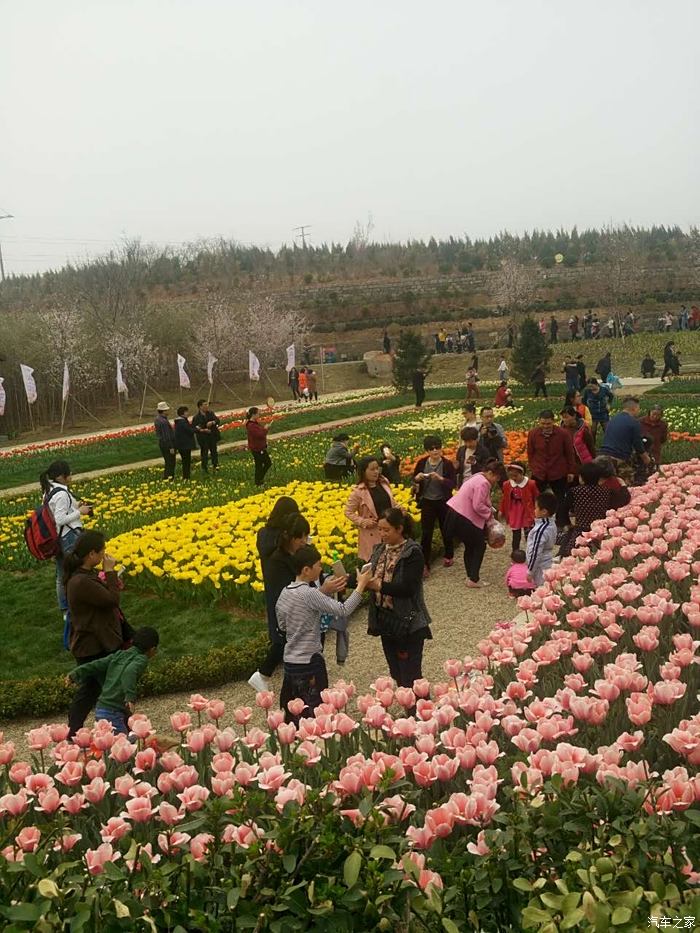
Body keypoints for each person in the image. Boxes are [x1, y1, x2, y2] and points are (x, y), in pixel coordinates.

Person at [276, 545, 371, 721]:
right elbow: (343, 609)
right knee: (316, 713)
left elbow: (282, 625)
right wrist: (362, 586)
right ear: (306, 570)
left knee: (295, 715)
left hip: (290, 662)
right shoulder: (310, 593)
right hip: (310, 662)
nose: (321, 569)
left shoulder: (285, 593)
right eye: (318, 565)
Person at [64, 530, 125, 736]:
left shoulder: (83, 576)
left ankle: (72, 732)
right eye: (101, 552)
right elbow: (111, 600)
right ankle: (127, 727)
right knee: (110, 687)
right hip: (93, 645)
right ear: (91, 554)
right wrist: (110, 573)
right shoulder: (81, 581)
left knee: (90, 690)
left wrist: (110, 581)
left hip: (91, 642)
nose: (103, 556)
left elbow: (105, 597)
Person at [365, 509, 432, 688]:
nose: (382, 534)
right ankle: (408, 708)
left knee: (411, 675)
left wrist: (378, 585)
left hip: (407, 623)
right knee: (395, 671)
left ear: (399, 529)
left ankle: (421, 712)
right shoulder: (379, 550)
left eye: (386, 530)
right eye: (380, 529)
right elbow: (369, 575)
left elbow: (408, 588)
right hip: (386, 620)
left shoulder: (412, 553)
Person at [248, 497, 302, 691]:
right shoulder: (284, 539)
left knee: (281, 633)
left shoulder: (264, 534)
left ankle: (268, 673)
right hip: (288, 588)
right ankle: (263, 673)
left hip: (272, 588)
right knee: (289, 636)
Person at [66, 627, 160, 735]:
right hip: (113, 712)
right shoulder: (141, 659)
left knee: (114, 743)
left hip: (101, 708)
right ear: (152, 649)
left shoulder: (119, 655)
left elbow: (95, 665)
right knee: (123, 744)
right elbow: (129, 672)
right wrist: (130, 696)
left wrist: (75, 674)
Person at [40, 460, 91, 644]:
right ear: (62, 476)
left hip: (58, 538)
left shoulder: (49, 489)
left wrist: (75, 506)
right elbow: (60, 519)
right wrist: (81, 512)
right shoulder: (61, 493)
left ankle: (65, 609)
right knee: (75, 572)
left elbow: (56, 513)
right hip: (68, 537)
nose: (71, 476)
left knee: (62, 573)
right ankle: (78, 605)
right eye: (70, 474)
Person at [445, 459, 506, 588]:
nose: (496, 480)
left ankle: (471, 576)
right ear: (490, 472)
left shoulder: (477, 476)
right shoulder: (483, 483)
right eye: (496, 476)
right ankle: (473, 578)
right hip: (464, 516)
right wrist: (490, 515)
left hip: (456, 514)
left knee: (470, 545)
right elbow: (478, 505)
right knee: (479, 545)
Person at [412, 435, 456, 574]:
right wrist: (417, 478)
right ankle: (425, 563)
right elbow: (414, 480)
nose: (435, 451)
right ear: (427, 450)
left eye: (438, 447)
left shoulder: (447, 464)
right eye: (432, 449)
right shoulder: (422, 463)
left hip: (443, 501)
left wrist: (440, 479)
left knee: (446, 529)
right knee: (426, 533)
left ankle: (449, 555)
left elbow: (452, 483)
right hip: (427, 501)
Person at [526, 410, 576, 527]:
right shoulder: (533, 434)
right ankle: (535, 521)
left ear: (553, 422)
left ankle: (561, 523)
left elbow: (569, 453)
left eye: (548, 424)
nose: (545, 426)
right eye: (543, 424)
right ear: (539, 422)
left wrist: (571, 471)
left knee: (561, 499)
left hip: (558, 471)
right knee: (535, 497)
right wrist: (534, 467)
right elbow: (530, 452)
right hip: (540, 471)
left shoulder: (563, 434)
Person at [345, 456, 397, 562]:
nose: (376, 472)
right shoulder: (358, 491)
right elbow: (348, 512)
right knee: (377, 562)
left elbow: (391, 502)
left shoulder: (384, 483)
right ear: (363, 471)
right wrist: (363, 521)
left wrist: (399, 509)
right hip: (373, 532)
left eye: (377, 468)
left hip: (390, 528)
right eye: (372, 469)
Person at [558, 462, 611, 558]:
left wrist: (568, 524)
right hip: (601, 532)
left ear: (581, 478)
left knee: (573, 556)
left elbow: (562, 509)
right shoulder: (606, 491)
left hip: (581, 532)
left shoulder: (575, 491)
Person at [599, 396, 650, 483]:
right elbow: (638, 445)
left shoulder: (613, 419)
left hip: (603, 456)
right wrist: (646, 458)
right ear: (634, 408)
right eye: (639, 408)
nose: (639, 411)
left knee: (607, 484)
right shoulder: (633, 422)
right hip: (618, 458)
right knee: (626, 485)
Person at [499, 461, 538, 550]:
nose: (514, 478)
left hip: (526, 510)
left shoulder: (531, 484)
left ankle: (531, 551)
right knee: (516, 533)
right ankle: (515, 552)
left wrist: (536, 509)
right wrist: (501, 510)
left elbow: (536, 497)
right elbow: (504, 498)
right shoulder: (507, 484)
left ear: (522, 473)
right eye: (511, 476)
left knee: (528, 532)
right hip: (514, 510)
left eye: (516, 476)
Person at [525, 492, 557, 587]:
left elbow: (536, 552)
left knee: (541, 589)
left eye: (536, 508)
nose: (534, 510)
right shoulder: (551, 524)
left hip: (540, 565)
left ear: (544, 511)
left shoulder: (541, 529)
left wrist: (530, 571)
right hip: (547, 561)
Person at [192, 399, 221, 474]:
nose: (207, 406)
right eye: (205, 405)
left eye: (207, 404)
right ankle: (204, 468)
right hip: (203, 438)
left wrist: (212, 422)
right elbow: (194, 429)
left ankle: (216, 466)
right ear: (200, 407)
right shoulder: (196, 417)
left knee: (214, 452)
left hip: (212, 436)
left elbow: (217, 420)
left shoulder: (210, 413)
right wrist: (203, 430)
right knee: (204, 453)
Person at [245, 407, 272, 486]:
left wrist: (265, 429)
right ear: (253, 414)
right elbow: (260, 435)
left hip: (260, 447)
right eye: (258, 413)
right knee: (267, 463)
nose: (259, 415)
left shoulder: (255, 423)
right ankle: (259, 480)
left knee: (260, 465)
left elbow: (260, 432)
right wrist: (266, 429)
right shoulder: (251, 425)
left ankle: (259, 481)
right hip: (257, 448)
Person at [174, 405, 197, 480]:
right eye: (186, 412)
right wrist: (196, 429)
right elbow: (189, 431)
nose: (188, 413)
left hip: (183, 445)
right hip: (184, 445)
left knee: (186, 461)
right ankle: (186, 477)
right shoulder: (182, 422)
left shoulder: (180, 421)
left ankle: (186, 476)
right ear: (183, 413)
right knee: (186, 461)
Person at [154, 402, 176, 480]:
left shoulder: (157, 419)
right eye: (167, 410)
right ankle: (169, 478)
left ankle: (168, 477)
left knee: (168, 461)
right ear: (163, 411)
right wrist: (171, 447)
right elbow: (166, 436)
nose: (168, 411)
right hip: (167, 444)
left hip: (162, 444)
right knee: (170, 462)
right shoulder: (163, 421)